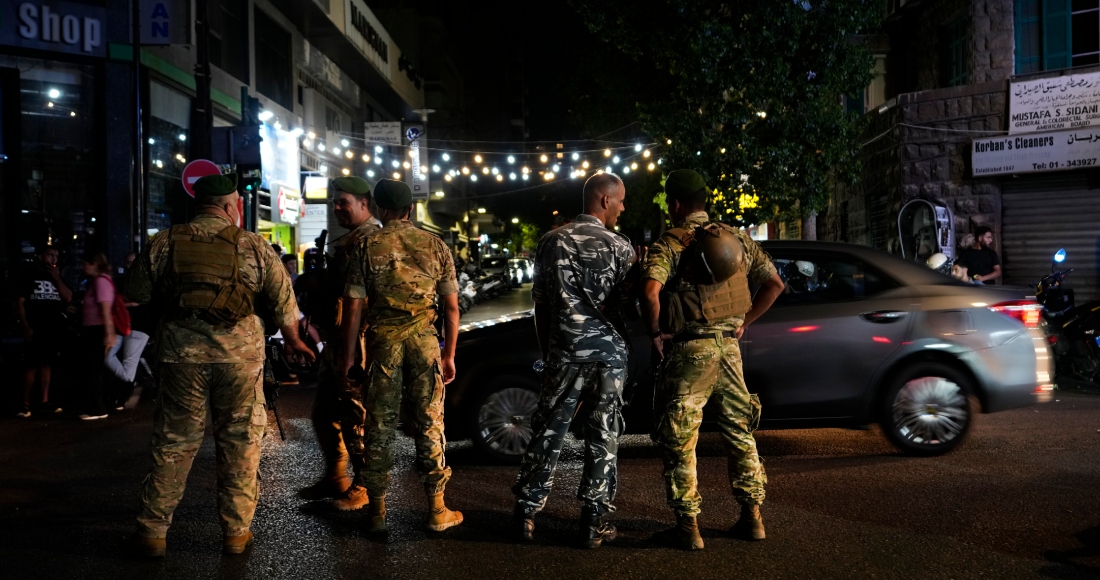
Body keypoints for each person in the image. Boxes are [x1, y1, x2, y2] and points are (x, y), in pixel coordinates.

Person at [124, 173, 315, 558]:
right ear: (232, 207)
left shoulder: (165, 241)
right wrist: (295, 342)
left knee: (174, 444)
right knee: (241, 444)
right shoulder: (255, 246)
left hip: (180, 358)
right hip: (240, 361)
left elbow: (136, 293)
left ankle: (153, 533)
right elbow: (284, 305)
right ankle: (235, 534)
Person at [640, 169, 785, 550]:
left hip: (690, 353)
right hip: (730, 352)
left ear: (675, 204)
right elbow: (775, 284)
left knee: (681, 438)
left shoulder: (671, 243)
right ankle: (752, 518)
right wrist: (744, 323)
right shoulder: (737, 238)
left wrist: (655, 333)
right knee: (740, 431)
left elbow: (651, 291)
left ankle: (688, 527)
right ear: (705, 202)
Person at [511, 173, 635, 548]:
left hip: (565, 351)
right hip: (608, 356)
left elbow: (541, 306)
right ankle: (593, 523)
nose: (623, 208)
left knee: (548, 431)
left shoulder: (551, 242)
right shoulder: (621, 248)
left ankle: (526, 517)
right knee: (604, 433)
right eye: (620, 201)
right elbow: (626, 309)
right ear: (603, 200)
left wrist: (549, 353)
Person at [340, 179, 462, 534]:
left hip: (383, 347)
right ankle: (437, 510)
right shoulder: (435, 245)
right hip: (424, 345)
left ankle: (377, 513)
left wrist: (350, 358)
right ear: (410, 209)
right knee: (429, 424)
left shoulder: (366, 246)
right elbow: (452, 309)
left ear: (379, 209)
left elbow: (353, 309)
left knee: (379, 427)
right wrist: (449, 354)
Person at [296, 176, 380, 510]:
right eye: (334, 202)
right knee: (323, 413)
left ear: (364, 204)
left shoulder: (371, 240)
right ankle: (336, 475)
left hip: (355, 340)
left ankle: (363, 484)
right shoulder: (348, 241)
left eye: (343, 202)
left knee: (355, 415)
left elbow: (364, 298)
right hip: (335, 338)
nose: (337, 208)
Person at [14, 246, 72, 417]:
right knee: (31, 364)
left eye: (56, 256)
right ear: (41, 256)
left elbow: (68, 297)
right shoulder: (29, 275)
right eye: (50, 255)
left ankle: (45, 401)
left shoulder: (56, 277)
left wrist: (57, 278)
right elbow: (20, 302)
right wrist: (25, 325)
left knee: (46, 363)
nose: (53, 259)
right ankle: (25, 403)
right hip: (35, 326)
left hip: (52, 328)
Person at [79, 251, 117, 421]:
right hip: (95, 329)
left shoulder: (101, 281)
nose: (83, 266)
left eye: (86, 263)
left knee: (94, 370)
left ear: (95, 264)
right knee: (94, 369)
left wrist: (109, 333)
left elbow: (105, 309)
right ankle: (96, 407)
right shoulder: (99, 281)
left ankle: (98, 408)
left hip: (97, 329)